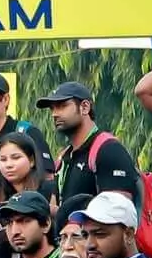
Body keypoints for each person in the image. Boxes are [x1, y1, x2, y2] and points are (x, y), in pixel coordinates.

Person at [40, 81, 141, 219]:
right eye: (52, 108)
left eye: (62, 106)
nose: (54, 114)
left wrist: (73, 221)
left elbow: (118, 213)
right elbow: (62, 211)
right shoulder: (63, 159)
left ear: (85, 107)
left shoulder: (108, 149)